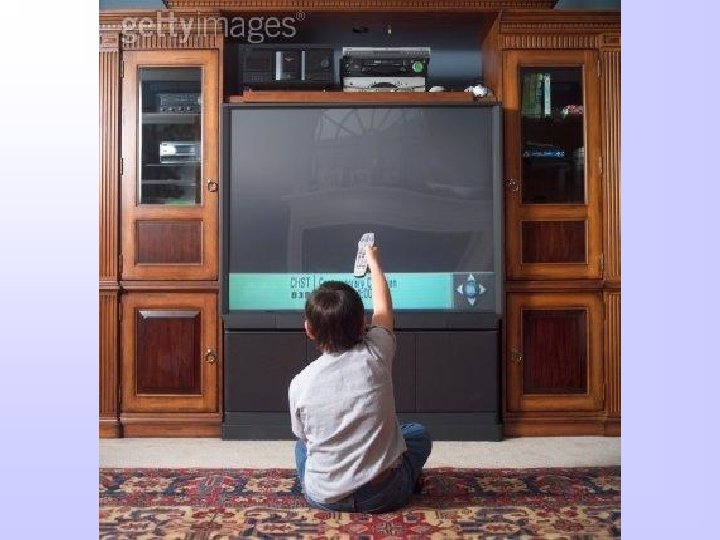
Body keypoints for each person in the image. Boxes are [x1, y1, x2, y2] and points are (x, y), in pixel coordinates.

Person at [288, 245, 432, 513]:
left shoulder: (299, 384)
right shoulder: (377, 352)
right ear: (362, 325)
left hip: (324, 497)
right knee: (417, 434)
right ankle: (402, 479)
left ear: (309, 330)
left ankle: (320, 484)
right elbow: (383, 309)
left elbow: (305, 438)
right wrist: (374, 262)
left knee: (300, 448)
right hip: (383, 496)